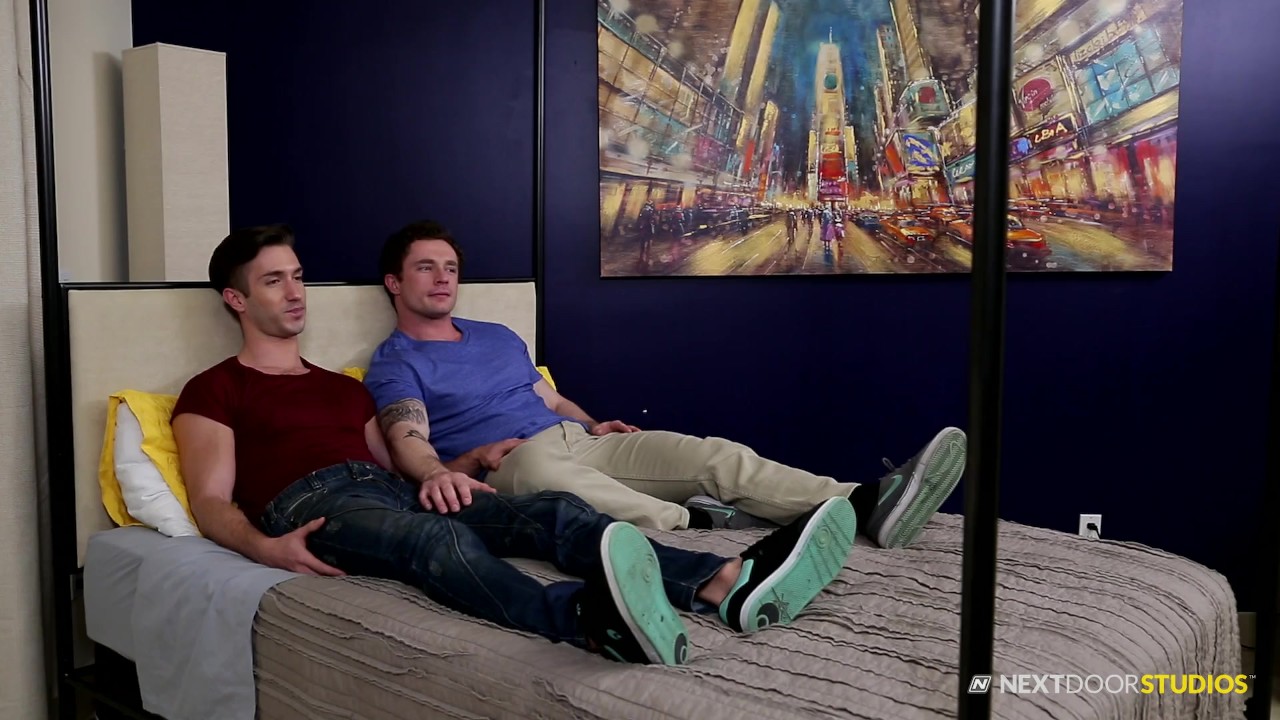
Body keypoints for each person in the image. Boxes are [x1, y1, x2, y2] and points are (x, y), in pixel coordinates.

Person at [171, 224, 859, 668]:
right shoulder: (213, 388)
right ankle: (585, 620)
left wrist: (458, 469)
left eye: (297, 276)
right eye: (274, 280)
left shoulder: (339, 388)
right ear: (235, 300)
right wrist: (264, 548)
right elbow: (209, 498)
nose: (295, 292)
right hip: (314, 507)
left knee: (555, 514)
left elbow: (397, 465)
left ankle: (722, 581)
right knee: (435, 541)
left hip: (386, 493)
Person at [364, 220, 967, 544]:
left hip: (576, 441)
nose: (443, 279)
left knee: (712, 455)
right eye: (426, 268)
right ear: (394, 283)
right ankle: (698, 526)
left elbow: (550, 398)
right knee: (542, 472)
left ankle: (864, 501)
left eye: (451, 268)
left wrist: (593, 424)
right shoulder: (396, 362)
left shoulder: (497, 335)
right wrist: (443, 471)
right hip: (509, 463)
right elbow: (406, 438)